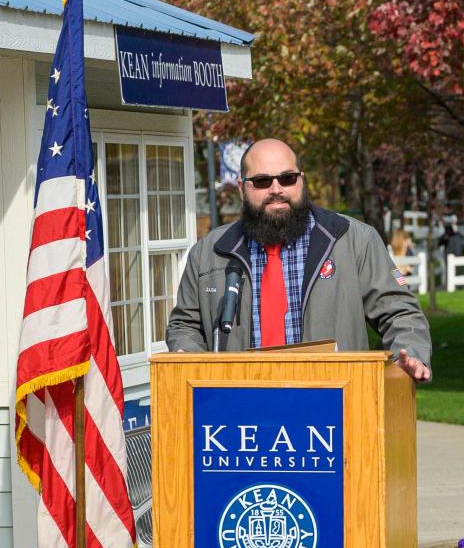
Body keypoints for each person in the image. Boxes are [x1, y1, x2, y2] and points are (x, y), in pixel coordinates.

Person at [166, 138, 431, 380]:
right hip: (241, 411)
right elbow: (185, 324)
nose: (276, 189)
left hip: (332, 409)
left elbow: (400, 311)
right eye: (262, 181)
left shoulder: (353, 240)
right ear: (241, 188)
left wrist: (410, 354)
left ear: (301, 181)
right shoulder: (209, 252)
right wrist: (187, 356)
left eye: (287, 178)